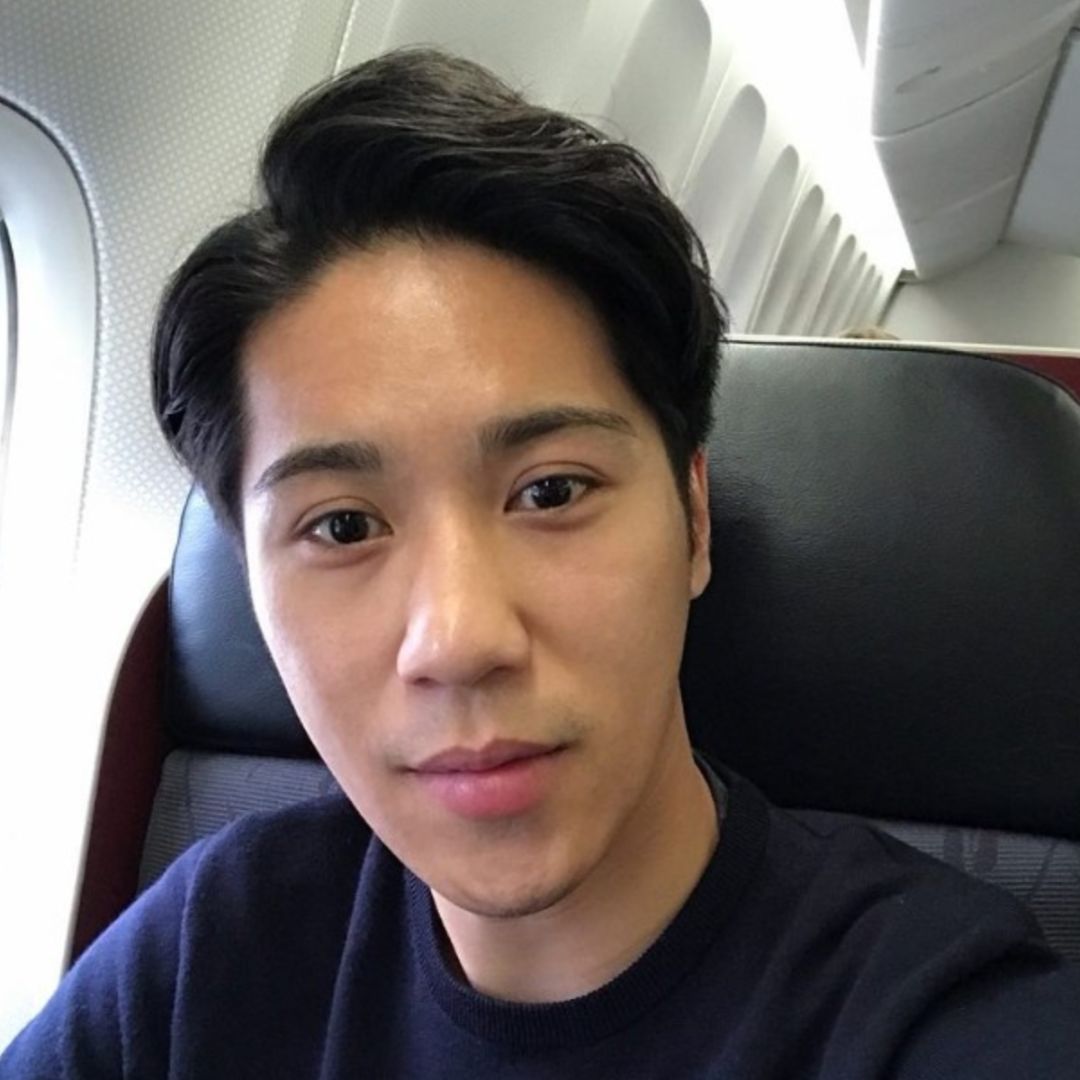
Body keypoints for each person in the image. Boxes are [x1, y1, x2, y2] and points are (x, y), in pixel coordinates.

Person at [3, 48, 1079, 1079]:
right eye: (343, 527)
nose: (459, 639)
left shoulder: (927, 1015)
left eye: (551, 492)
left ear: (693, 518)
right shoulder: (208, 952)